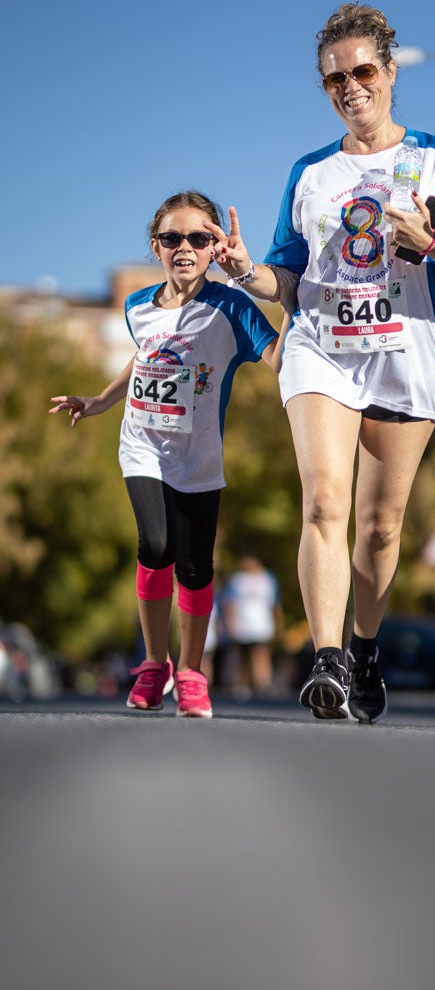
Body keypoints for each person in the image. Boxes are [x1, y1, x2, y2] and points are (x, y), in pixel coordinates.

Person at [205, 1, 435, 723]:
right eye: (334, 78)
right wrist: (246, 269)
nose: (350, 86)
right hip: (321, 351)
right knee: (325, 502)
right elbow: (288, 280)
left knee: (379, 526)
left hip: (405, 353)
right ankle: (328, 660)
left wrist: (430, 244)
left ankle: (364, 647)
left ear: (390, 72)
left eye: (363, 70)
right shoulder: (311, 173)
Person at [49, 191, 287, 718]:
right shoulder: (137, 306)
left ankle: (191, 672)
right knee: (157, 545)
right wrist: (100, 401)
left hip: (199, 456)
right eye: (172, 238)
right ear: (155, 246)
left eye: (199, 238)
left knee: (197, 567)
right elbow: (143, 358)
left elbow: (279, 360)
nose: (185, 247)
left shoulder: (230, 307)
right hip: (142, 446)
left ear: (215, 248)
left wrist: (291, 297)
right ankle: (155, 664)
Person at [221, 554, 284, 696]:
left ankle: (262, 684)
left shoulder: (267, 579)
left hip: (262, 624)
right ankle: (242, 685)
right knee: (242, 656)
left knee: (261, 653)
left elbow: (275, 603)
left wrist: (278, 623)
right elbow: (229, 603)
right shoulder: (238, 579)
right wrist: (230, 623)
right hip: (242, 624)